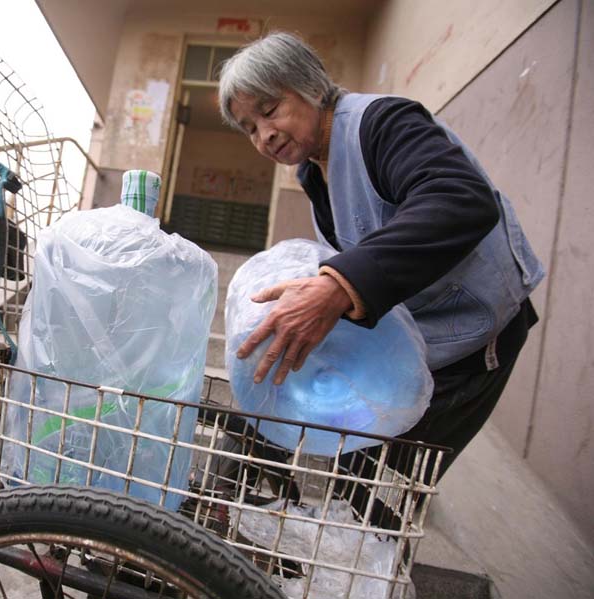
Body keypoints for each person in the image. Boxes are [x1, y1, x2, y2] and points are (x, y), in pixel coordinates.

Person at [217, 32, 544, 489]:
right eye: (250, 128)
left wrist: (336, 285)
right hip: (414, 333)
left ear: (310, 86)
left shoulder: (383, 123)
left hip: (471, 336)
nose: (264, 135)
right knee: (339, 457)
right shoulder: (315, 170)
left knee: (381, 485)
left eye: (269, 110)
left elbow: (460, 199)